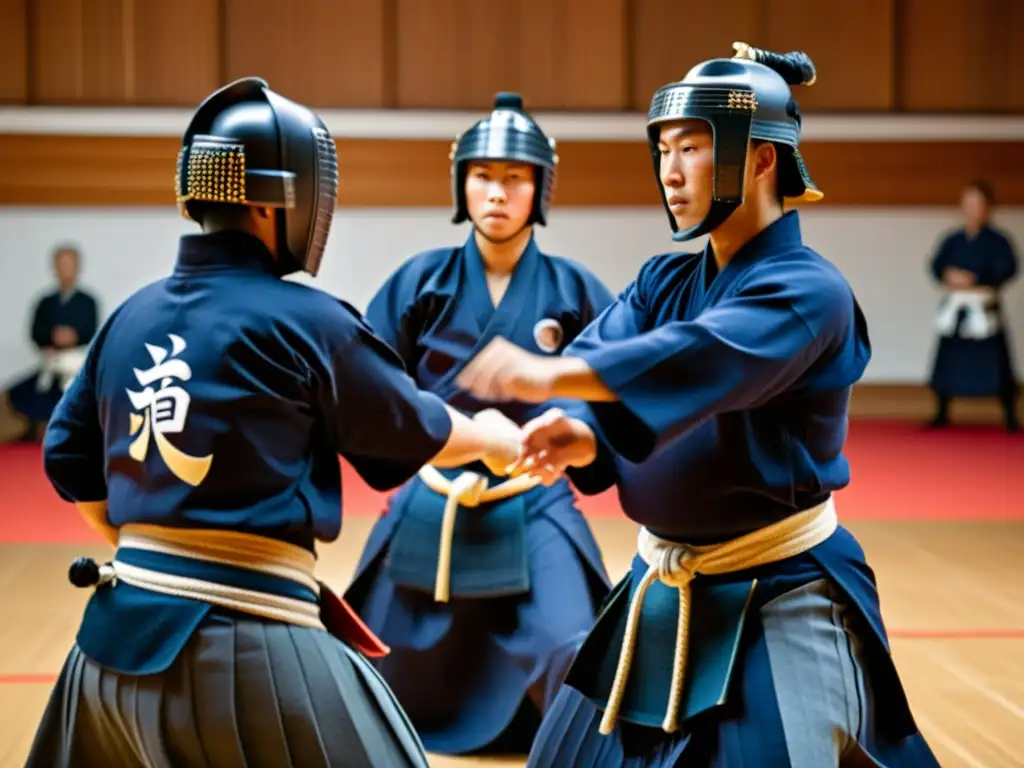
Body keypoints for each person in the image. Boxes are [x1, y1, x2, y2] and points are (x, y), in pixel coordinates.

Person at [456, 45, 940, 767]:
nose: (671, 172)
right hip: (660, 583)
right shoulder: (664, 279)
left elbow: (704, 356)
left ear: (762, 159)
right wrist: (582, 431)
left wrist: (551, 376)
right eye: (664, 150)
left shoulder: (811, 292)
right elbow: (612, 345)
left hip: (779, 589)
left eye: (692, 148)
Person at [26, 77, 524, 768]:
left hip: (106, 649)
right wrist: (495, 438)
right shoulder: (309, 320)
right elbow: (410, 425)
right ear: (274, 201)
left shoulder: (130, 315)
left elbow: (69, 464)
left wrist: (151, 557)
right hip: (242, 643)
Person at [344, 92, 614, 757]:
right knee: (359, 649)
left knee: (572, 647)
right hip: (431, 499)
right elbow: (373, 389)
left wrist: (570, 426)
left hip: (534, 495)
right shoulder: (419, 283)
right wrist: (442, 429)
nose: (497, 193)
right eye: (483, 176)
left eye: (515, 178)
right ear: (462, 184)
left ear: (539, 189)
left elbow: (615, 387)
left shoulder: (574, 290)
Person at [927, 180, 1020, 432]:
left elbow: (1009, 267)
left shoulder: (998, 240)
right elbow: (936, 265)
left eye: (978, 204)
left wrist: (977, 278)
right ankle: (942, 409)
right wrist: (949, 275)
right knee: (950, 358)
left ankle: (1010, 414)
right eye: (968, 204)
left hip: (984, 305)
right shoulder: (953, 239)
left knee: (996, 361)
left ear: (988, 208)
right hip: (957, 306)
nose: (972, 209)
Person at [0, 244, 99, 444]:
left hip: (75, 368)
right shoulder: (45, 302)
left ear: (78, 267)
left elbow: (91, 330)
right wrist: (51, 336)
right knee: (17, 396)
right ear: (54, 267)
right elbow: (35, 332)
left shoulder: (88, 302)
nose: (66, 269)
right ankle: (29, 430)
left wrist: (74, 336)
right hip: (50, 365)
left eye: (70, 264)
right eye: (61, 264)